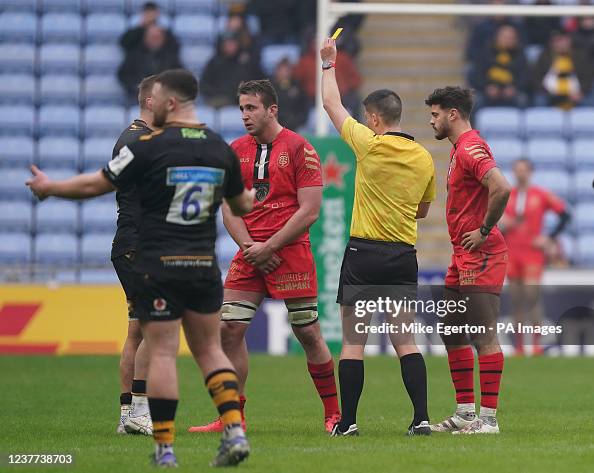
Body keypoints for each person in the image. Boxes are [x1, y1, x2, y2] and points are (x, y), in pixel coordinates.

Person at [26, 69, 254, 467]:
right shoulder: (221, 149)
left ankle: (165, 449)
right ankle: (234, 430)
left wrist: (51, 188)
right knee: (210, 350)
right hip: (202, 264)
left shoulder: (149, 145)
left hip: (159, 263)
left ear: (169, 103)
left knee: (163, 352)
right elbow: (242, 206)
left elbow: (96, 184)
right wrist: (246, 195)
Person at [189, 79, 341, 434]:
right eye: (241, 108)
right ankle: (232, 417)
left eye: (251, 108)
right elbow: (228, 207)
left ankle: (334, 414)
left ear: (272, 109)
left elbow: (310, 210)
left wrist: (269, 246)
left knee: (308, 333)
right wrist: (249, 248)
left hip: (288, 253)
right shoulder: (234, 150)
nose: (244, 115)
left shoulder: (301, 148)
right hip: (250, 254)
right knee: (228, 330)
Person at [321, 37, 436, 437]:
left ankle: (349, 422)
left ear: (373, 118)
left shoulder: (369, 146)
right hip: (402, 255)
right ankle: (421, 418)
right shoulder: (424, 157)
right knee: (406, 341)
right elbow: (422, 210)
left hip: (363, 253)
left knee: (353, 343)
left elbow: (332, 105)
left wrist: (327, 64)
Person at [425, 86, 511, 435]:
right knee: (452, 332)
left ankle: (488, 420)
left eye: (435, 114)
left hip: (482, 253)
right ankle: (464, 413)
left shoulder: (471, 147)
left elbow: (501, 187)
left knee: (483, 335)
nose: (431, 120)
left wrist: (485, 229)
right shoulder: (460, 149)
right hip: (462, 256)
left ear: (453, 114)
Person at [112, 75, 156, 436]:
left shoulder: (135, 138)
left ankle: (127, 416)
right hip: (138, 245)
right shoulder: (137, 140)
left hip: (135, 243)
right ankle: (139, 411)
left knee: (138, 331)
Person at [500, 158, 570, 356]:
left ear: (530, 172)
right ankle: (520, 346)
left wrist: (549, 238)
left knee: (532, 297)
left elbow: (565, 215)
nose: (520, 174)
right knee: (516, 300)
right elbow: (496, 222)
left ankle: (537, 345)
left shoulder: (540, 195)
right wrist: (503, 224)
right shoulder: (507, 194)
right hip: (511, 252)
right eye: (517, 170)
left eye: (523, 170)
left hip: (532, 253)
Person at [294, 35, 362, 119]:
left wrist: (345, 87)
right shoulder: (305, 61)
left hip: (341, 98)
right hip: (313, 99)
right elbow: (296, 79)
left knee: (354, 101)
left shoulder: (342, 58)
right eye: (315, 42)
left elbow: (356, 79)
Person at [118, 23, 182, 104]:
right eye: (152, 37)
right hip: (138, 100)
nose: (155, 40)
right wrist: (137, 89)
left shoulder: (171, 57)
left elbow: (180, 77)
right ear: (145, 38)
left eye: (157, 37)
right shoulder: (134, 56)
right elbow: (123, 75)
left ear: (163, 38)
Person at [469, 24, 529, 108]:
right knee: (474, 100)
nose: (508, 40)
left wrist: (515, 88)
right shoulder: (486, 52)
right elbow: (477, 74)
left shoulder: (520, 55)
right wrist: (487, 87)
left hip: (512, 90)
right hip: (488, 89)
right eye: (505, 37)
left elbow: (524, 76)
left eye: (511, 38)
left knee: (523, 99)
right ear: (497, 37)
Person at [200, 32, 265, 108]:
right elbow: (204, 84)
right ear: (222, 46)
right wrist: (217, 93)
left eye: (233, 44)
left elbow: (260, 80)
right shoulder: (214, 62)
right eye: (227, 44)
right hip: (221, 100)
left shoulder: (247, 61)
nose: (230, 47)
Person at [533, 30, 593, 109]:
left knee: (590, 100)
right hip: (550, 94)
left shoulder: (581, 56)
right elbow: (536, 78)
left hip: (576, 93)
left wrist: (581, 92)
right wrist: (546, 91)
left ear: (569, 40)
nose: (560, 44)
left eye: (562, 40)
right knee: (539, 100)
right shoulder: (545, 57)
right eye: (556, 41)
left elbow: (588, 77)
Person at [271, 57, 309, 132]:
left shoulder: (297, 86)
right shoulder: (271, 87)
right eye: (282, 70)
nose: (285, 73)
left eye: (287, 71)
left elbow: (303, 106)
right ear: (277, 71)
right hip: (276, 125)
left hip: (295, 125)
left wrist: (299, 121)